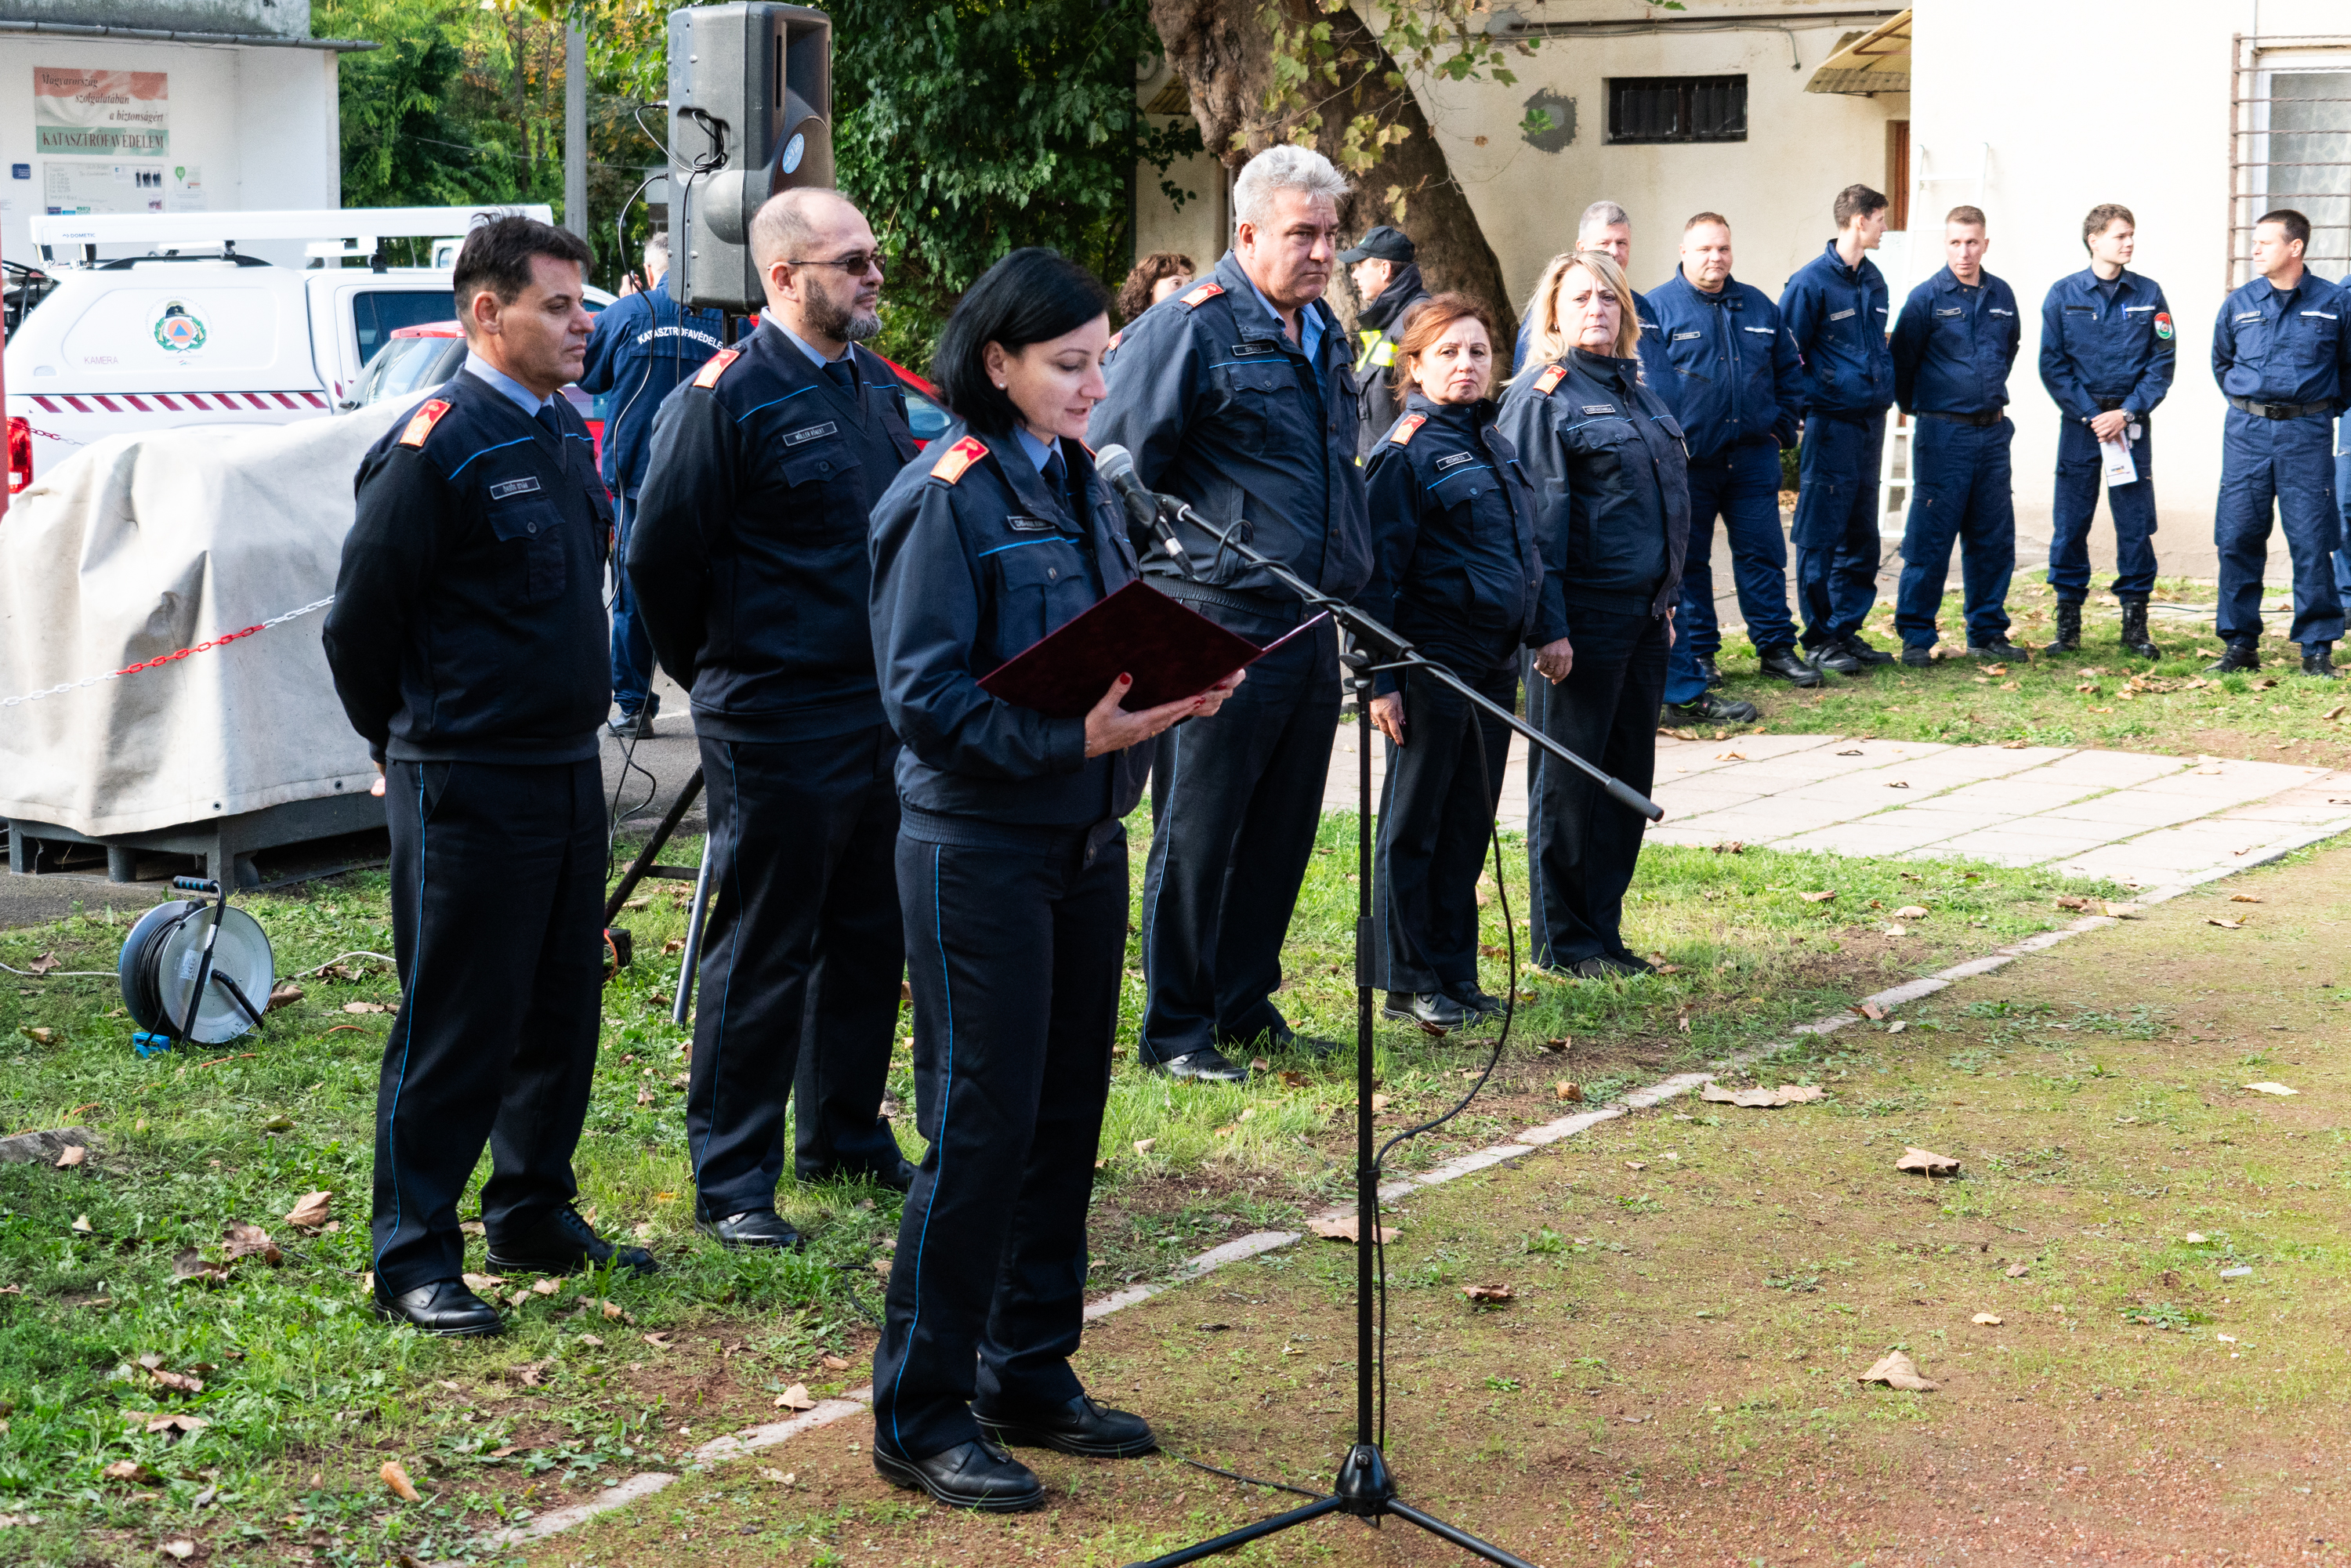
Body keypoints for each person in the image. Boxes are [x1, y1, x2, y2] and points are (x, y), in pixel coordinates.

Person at [865, 248, 1243, 1511]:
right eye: (1070, 366)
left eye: (1103, 363)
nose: (1095, 387)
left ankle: (1026, 1364)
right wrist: (1067, 739)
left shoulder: (1082, 478)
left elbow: (1093, 640)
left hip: (1086, 840)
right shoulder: (945, 495)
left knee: (1065, 1113)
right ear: (999, 366)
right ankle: (921, 1408)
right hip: (979, 847)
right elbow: (921, 699)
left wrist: (1172, 682)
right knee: (981, 1123)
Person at [324, 215, 655, 1338]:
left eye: (584, 303)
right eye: (558, 305)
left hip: (565, 769)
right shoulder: (436, 444)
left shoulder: (564, 433)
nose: (584, 324)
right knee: (459, 1017)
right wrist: (399, 742)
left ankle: (532, 1207)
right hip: (464, 774)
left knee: (560, 1003)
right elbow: (358, 626)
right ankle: (413, 1251)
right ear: (487, 312)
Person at [627, 190, 922, 1247]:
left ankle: (842, 1131)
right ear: (783, 278)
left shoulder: (875, 390)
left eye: (873, 256)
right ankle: (734, 1174)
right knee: (764, 943)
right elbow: (659, 557)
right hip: (775, 711)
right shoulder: (725, 397)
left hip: (876, 705)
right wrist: (718, 670)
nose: (873, 273)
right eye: (850, 260)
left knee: (864, 929)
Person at [1090, 143, 1371, 1082]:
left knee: (1282, 829)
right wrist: (1151, 612)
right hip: (1209, 621)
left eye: (1332, 234)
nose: (1324, 251)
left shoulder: (1324, 332)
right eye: (1304, 234)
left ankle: (1244, 1003)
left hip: (1303, 622)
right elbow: (1111, 469)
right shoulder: (1189, 329)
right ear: (1246, 233)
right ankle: (1176, 1027)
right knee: (1199, 831)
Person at [1361, 293, 1559, 1030]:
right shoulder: (1405, 452)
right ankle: (1406, 980)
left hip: (1489, 662)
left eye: (1477, 351)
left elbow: (1525, 552)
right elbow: (1377, 576)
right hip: (1429, 662)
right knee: (1415, 823)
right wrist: (1383, 678)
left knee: (1467, 821)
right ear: (1413, 366)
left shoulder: (1496, 442)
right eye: (1447, 352)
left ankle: (1452, 970)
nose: (1466, 365)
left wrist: (1544, 630)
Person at [1500, 249, 1686, 980]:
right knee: (1570, 781)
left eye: (1608, 299)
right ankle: (1562, 939)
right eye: (1580, 299)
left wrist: (1666, 599)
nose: (1597, 310)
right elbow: (1535, 525)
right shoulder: (1544, 397)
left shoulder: (1638, 389)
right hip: (1579, 623)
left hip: (1643, 618)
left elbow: (1664, 505)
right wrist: (1549, 626)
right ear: (1553, 313)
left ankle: (1602, 930)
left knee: (1625, 778)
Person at [1649, 211, 1812, 725]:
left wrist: (1783, 425)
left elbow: (1791, 371)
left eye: (1722, 248)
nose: (1714, 258)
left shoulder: (1759, 305)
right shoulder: (1658, 309)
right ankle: (1700, 654)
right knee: (1689, 565)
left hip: (1751, 459)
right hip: (1690, 463)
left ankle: (1776, 647)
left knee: (1763, 555)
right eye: (1704, 249)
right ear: (1683, 250)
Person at [577, 230, 726, 740]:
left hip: (639, 479)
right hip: (711, 478)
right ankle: (718, 694)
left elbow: (588, 375)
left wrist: (626, 310)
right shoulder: (729, 319)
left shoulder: (627, 314)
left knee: (633, 591)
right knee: (718, 583)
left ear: (647, 271)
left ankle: (633, 706)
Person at [2209, 208, 2351, 677]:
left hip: (2305, 435)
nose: (2255, 250)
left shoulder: (2333, 302)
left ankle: (2316, 647)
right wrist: (2252, 405)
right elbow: (2222, 364)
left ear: (2295, 248)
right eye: (2255, 241)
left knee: (2312, 538)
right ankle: (2239, 644)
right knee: (2237, 536)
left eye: (2265, 242)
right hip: (2247, 434)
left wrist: (2315, 411)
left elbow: (2347, 371)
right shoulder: (2240, 302)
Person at [2038, 203, 2176, 659]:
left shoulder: (2150, 294)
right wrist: (2091, 416)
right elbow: (2053, 366)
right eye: (2121, 236)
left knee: (2135, 525)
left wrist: (2129, 412)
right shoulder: (2063, 294)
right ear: (2094, 240)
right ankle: (2068, 625)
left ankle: (2135, 626)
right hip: (2082, 427)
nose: (2130, 243)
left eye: (2132, 235)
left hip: (2130, 428)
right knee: (2070, 523)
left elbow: (2162, 363)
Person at [1889, 205, 2025, 664]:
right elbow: (1902, 364)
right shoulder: (1926, 297)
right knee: (1931, 536)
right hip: (1942, 434)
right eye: (1955, 242)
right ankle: (1916, 636)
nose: (1964, 252)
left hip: (1991, 435)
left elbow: (2010, 349)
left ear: (1985, 243)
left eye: (1972, 242)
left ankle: (1986, 632)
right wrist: (1930, 410)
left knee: (1992, 536)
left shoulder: (2002, 295)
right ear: (1944, 244)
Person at [1780, 183, 1897, 676]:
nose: (1885, 227)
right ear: (1859, 221)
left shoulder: (1874, 281)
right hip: (1831, 425)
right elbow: (1786, 355)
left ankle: (1846, 629)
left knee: (1860, 534)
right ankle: (1819, 636)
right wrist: (1811, 399)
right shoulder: (1810, 283)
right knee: (1820, 535)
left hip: (1869, 425)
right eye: (1881, 218)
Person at [1514, 201, 1665, 384]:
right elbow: (1532, 383)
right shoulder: (1553, 311)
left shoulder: (1642, 306)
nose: (1614, 252)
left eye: (1621, 243)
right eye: (1604, 243)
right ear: (1582, 248)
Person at [1342, 223, 1431, 460]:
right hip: (1381, 471)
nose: (1355, 274)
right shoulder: (1390, 320)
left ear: (1384, 269)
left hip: (1401, 473)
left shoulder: (1418, 318)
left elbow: (1427, 409)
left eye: (1360, 265)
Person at [1114, 251, 1194, 323]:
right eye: (1176, 283)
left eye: (1189, 285)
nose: (1186, 291)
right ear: (1150, 284)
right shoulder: (1135, 334)